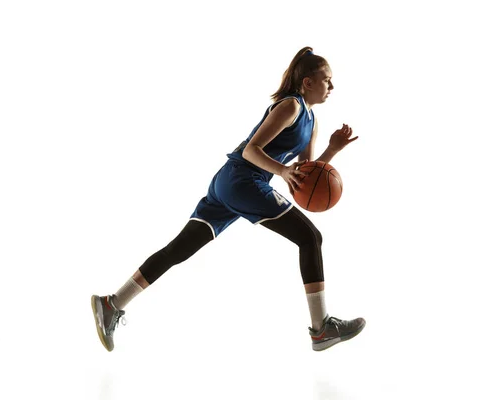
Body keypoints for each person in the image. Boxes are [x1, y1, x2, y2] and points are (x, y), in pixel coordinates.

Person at [91, 46, 365, 352]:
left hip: (231, 185)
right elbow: (251, 150)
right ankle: (321, 328)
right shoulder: (291, 107)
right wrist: (282, 171)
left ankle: (112, 303)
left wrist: (332, 151)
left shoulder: (312, 122)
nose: (332, 86)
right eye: (327, 79)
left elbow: (304, 177)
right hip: (242, 179)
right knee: (310, 237)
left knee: (179, 249)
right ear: (308, 83)